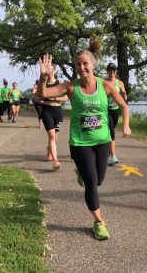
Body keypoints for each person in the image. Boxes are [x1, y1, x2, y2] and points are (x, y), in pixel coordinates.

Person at [38, 47, 131, 240]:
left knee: (98, 180)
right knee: (91, 185)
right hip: (80, 143)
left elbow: (123, 104)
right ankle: (99, 222)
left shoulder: (105, 85)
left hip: (103, 140)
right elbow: (42, 95)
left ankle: (82, 172)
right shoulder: (71, 87)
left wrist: (126, 125)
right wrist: (44, 77)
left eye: (85, 63)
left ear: (93, 65)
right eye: (78, 64)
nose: (82, 67)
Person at [39, 66, 68, 170]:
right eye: (48, 69)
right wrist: (47, 102)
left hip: (58, 112)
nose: (50, 71)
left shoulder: (60, 83)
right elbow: (38, 98)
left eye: (51, 69)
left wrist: (54, 98)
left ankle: (49, 149)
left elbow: (65, 97)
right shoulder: (43, 83)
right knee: (51, 136)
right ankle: (56, 161)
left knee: (55, 137)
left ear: (54, 71)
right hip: (47, 111)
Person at [107, 63, 127, 165]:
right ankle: (113, 156)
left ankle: (107, 149)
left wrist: (123, 93)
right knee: (111, 133)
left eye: (114, 70)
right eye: (110, 70)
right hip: (106, 110)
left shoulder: (120, 83)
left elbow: (124, 100)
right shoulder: (104, 83)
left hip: (116, 110)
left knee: (110, 131)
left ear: (116, 71)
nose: (112, 72)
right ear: (107, 71)